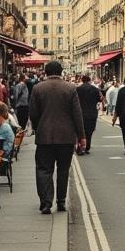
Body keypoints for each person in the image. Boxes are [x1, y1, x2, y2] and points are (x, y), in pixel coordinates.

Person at [28, 59, 86, 214]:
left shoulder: (37, 88)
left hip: (44, 137)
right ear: (61, 72)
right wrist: (81, 136)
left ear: (46, 72)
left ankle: (46, 203)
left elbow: (33, 113)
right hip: (66, 137)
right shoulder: (70, 88)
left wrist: (39, 127)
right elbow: (77, 115)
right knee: (63, 170)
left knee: (43, 169)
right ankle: (61, 202)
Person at [75, 73, 105, 154]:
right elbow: (100, 99)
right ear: (89, 81)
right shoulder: (95, 90)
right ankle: (87, 147)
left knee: (80, 131)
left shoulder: (77, 89)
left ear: (82, 80)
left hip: (80, 113)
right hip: (92, 113)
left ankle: (80, 147)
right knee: (89, 131)